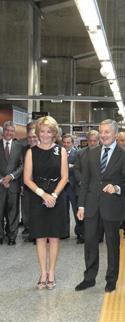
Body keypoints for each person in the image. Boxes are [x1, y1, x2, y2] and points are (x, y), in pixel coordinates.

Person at [75, 120, 125, 293]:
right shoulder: (91, 153)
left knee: (112, 245)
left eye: (107, 132)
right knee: (90, 242)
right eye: (101, 132)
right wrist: (81, 205)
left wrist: (117, 188)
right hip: (91, 205)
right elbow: (85, 182)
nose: (104, 135)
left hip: (112, 207)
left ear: (115, 134)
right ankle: (89, 278)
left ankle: (111, 280)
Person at [23, 116, 68, 289]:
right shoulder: (31, 152)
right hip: (37, 196)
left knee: (54, 237)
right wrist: (43, 194)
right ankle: (43, 272)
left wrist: (54, 195)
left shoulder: (61, 151)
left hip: (57, 196)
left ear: (54, 133)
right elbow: (27, 179)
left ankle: (52, 272)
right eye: (42, 131)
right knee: (41, 237)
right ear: (37, 133)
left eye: (49, 131)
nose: (45, 135)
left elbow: (64, 177)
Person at [73, 130, 100, 244]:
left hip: (97, 190)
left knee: (97, 214)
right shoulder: (80, 153)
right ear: (87, 141)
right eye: (90, 141)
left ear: (99, 141)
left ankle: (98, 235)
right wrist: (82, 182)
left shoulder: (103, 153)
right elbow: (76, 169)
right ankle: (82, 235)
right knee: (81, 213)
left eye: (95, 141)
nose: (92, 143)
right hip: (82, 189)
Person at [0, 121, 24, 245]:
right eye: (7, 130)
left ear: (14, 132)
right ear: (3, 131)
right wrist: (2, 179)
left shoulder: (18, 146)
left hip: (13, 185)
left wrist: (11, 176)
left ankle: (12, 236)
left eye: (11, 130)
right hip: (0, 185)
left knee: (13, 212)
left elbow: (21, 165)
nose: (9, 133)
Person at [62, 134, 83, 242]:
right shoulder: (59, 153)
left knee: (76, 210)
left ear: (73, 143)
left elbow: (79, 168)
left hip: (74, 186)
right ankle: (64, 233)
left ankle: (79, 233)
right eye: (64, 142)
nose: (66, 144)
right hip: (61, 187)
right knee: (63, 211)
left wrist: (72, 167)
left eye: (68, 142)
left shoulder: (78, 154)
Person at [21, 125, 39, 242]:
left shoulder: (43, 148)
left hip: (40, 186)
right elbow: (22, 167)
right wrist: (22, 185)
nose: (32, 139)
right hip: (27, 186)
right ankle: (31, 232)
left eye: (34, 137)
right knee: (28, 210)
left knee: (38, 211)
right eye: (29, 137)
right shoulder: (24, 149)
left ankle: (38, 234)